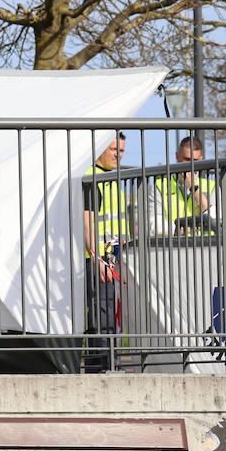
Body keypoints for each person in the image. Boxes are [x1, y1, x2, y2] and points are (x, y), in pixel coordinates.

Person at [81, 132, 127, 372]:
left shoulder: (110, 178)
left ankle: (107, 363)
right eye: (113, 150)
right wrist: (98, 258)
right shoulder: (93, 179)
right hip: (97, 259)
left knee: (109, 312)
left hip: (110, 258)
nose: (118, 155)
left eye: (121, 151)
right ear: (99, 149)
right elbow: (87, 222)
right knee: (102, 314)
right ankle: (101, 366)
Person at [154, 136, 217, 235]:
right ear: (177, 156)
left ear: (201, 160)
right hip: (171, 247)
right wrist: (179, 228)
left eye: (195, 161)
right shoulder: (160, 186)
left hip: (205, 247)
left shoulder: (212, 186)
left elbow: (215, 221)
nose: (190, 165)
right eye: (187, 159)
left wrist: (195, 189)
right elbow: (154, 225)